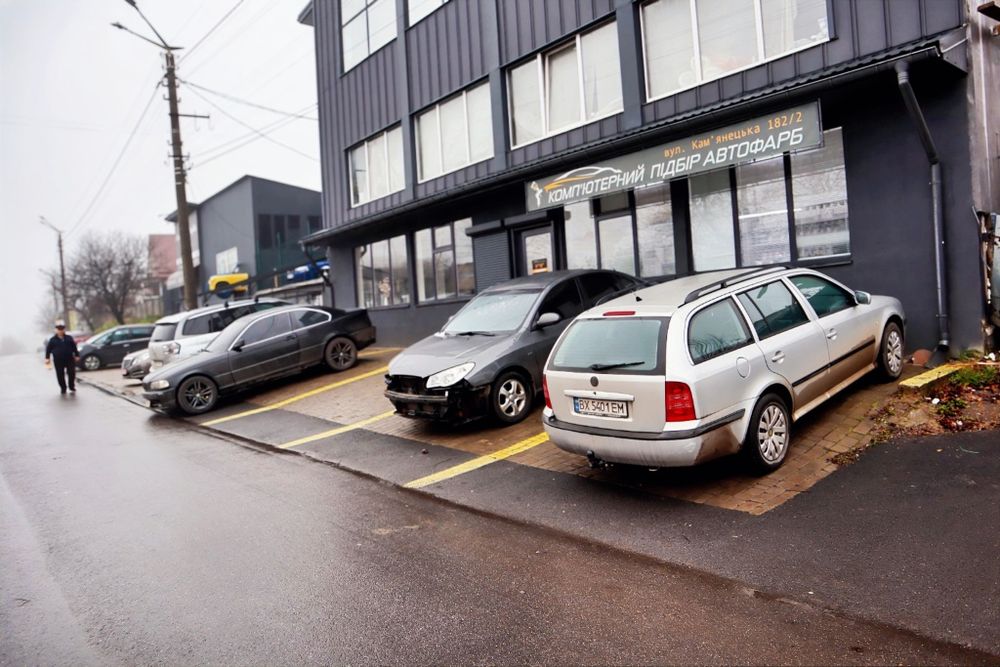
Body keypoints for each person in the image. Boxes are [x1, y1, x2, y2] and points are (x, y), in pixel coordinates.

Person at [44, 320, 79, 394]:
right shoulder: (52, 340)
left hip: (69, 358)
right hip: (58, 360)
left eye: (62, 329)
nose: (60, 330)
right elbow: (48, 349)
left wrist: (77, 355)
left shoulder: (69, 338)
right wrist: (47, 358)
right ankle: (63, 388)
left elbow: (74, 347)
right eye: (59, 329)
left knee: (71, 372)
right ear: (56, 330)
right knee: (60, 374)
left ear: (64, 329)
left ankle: (71, 386)